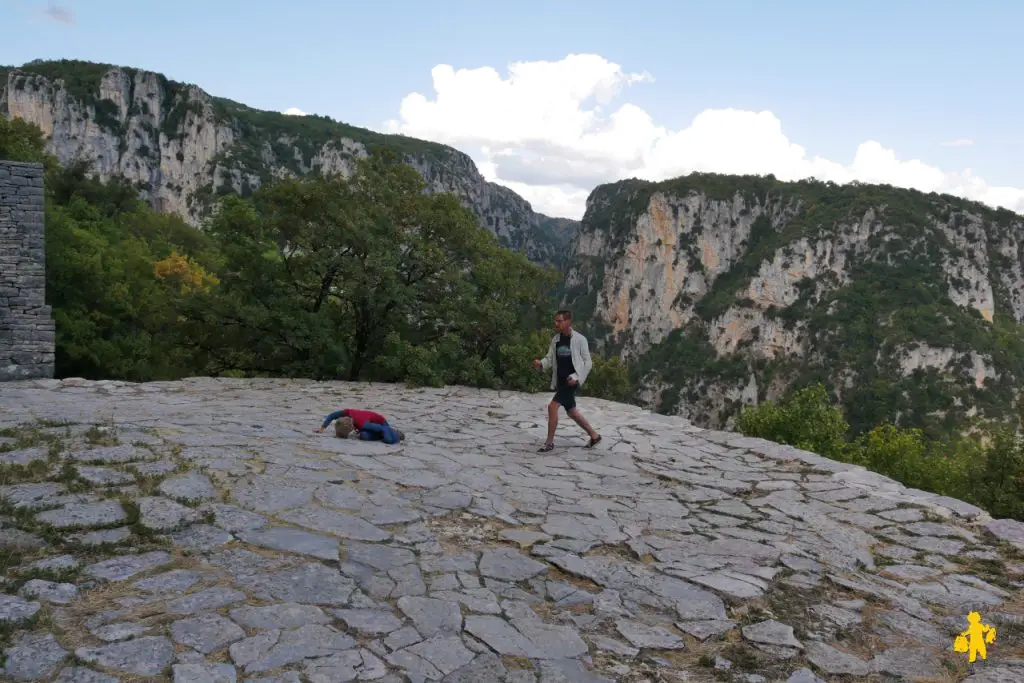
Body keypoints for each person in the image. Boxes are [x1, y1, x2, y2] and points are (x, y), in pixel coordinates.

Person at [532, 309, 601, 452]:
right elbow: (550, 358)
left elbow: (588, 363)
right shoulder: (556, 339)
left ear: (568, 321)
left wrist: (577, 378)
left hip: (571, 382)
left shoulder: (580, 340)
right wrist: (541, 364)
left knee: (552, 407)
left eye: (559, 321)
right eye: (555, 320)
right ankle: (594, 436)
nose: (556, 323)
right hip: (561, 380)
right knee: (572, 412)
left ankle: (549, 443)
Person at [315, 408, 405, 444]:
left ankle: (396, 433)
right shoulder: (347, 412)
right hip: (369, 425)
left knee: (388, 439)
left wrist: (391, 435)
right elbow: (332, 416)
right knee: (363, 436)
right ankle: (381, 435)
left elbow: (382, 428)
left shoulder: (363, 424)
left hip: (382, 424)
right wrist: (322, 428)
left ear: (351, 428)